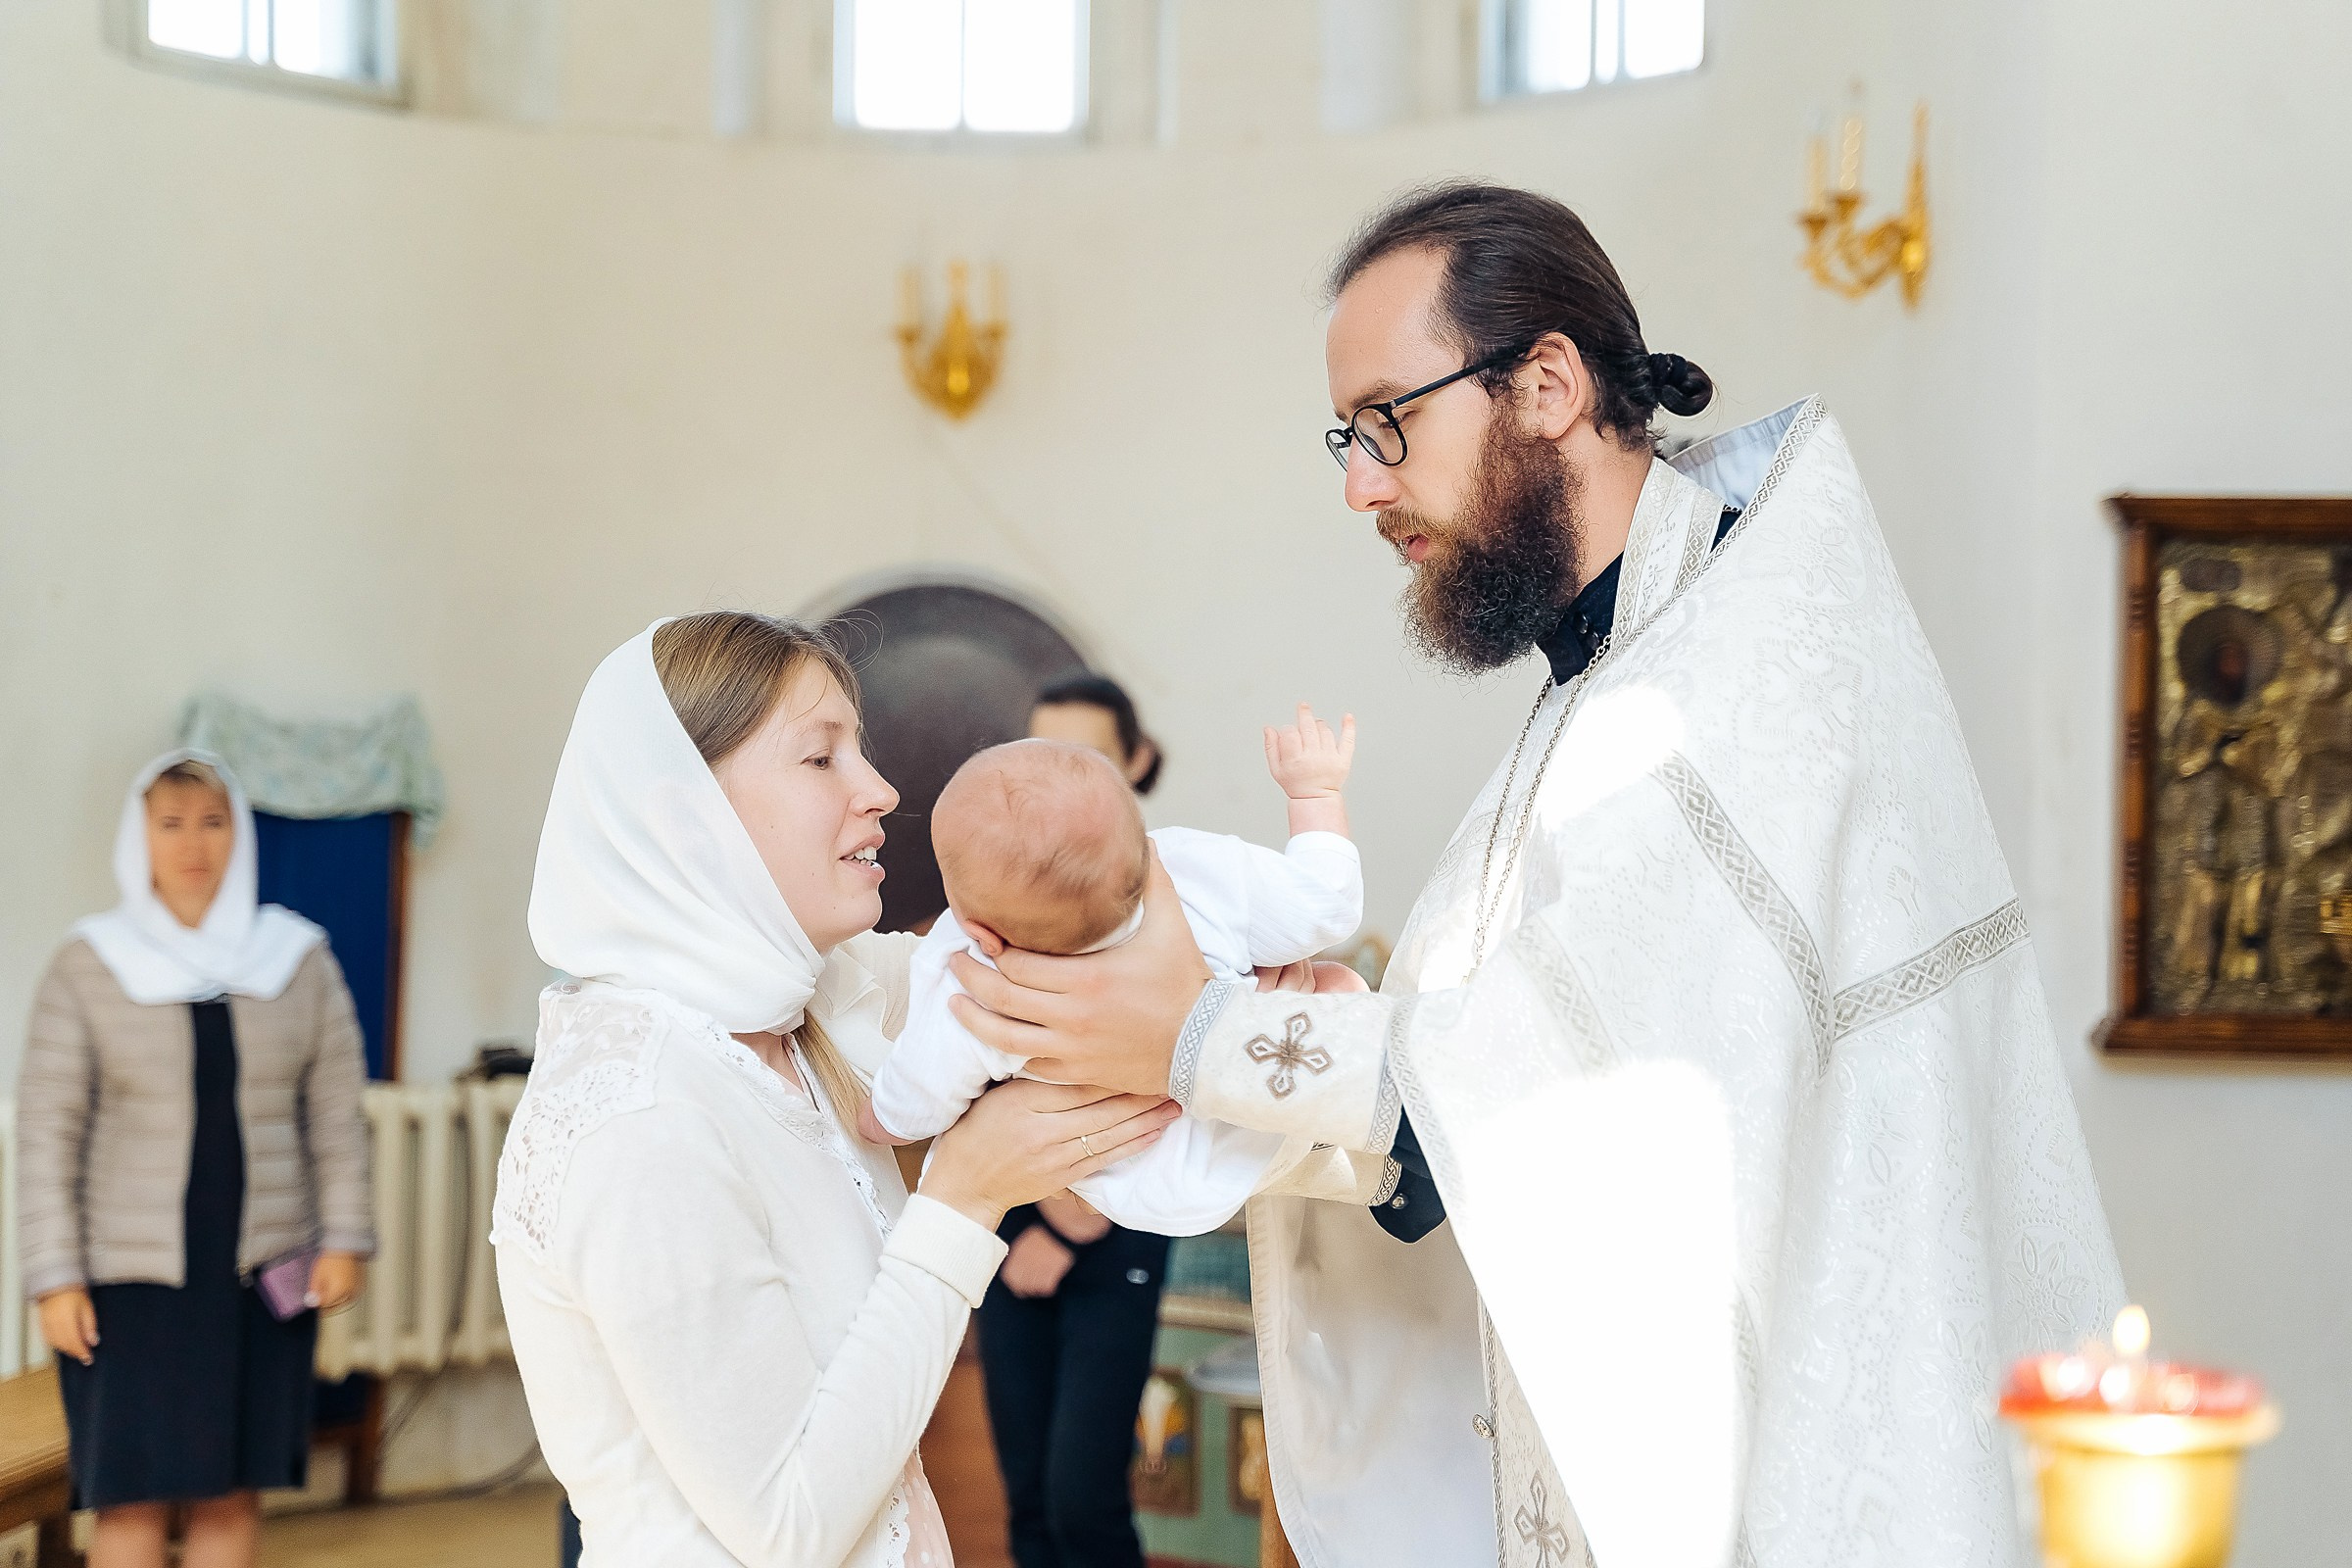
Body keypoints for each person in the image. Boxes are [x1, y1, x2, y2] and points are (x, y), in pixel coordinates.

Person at [943, 182, 2127, 1568]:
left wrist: (1205, 1034)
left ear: (1549, 383)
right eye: (1347, 436)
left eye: (1389, 420)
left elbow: (1588, 1100)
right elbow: (1531, 1043)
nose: (1360, 485)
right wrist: (1328, 1020)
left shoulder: (1733, 681)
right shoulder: (1624, 668)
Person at [490, 612, 1177, 1568]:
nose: (882, 791)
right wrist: (964, 1196)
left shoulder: (809, 1010)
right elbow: (789, 1525)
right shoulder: (638, 1114)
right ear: (684, 816)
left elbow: (1066, 979)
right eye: (822, 760)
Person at [17, 751, 373, 1568]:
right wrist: (53, 1277)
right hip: (128, 1284)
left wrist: (347, 1239)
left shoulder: (295, 958)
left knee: (229, 1492)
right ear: (138, 836)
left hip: (259, 1274)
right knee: (130, 1497)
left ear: (239, 835)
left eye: (213, 821)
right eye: (170, 823)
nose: (193, 844)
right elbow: (47, 1130)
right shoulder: (90, 963)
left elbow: (335, 1112)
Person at [863, 710, 1366, 1235]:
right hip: (1263, 1097)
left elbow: (921, 1088)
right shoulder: (1195, 866)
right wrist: (1314, 797)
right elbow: (1326, 907)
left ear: (978, 927)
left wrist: (881, 1120)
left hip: (1157, 1179)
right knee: (1331, 986)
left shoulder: (969, 968)